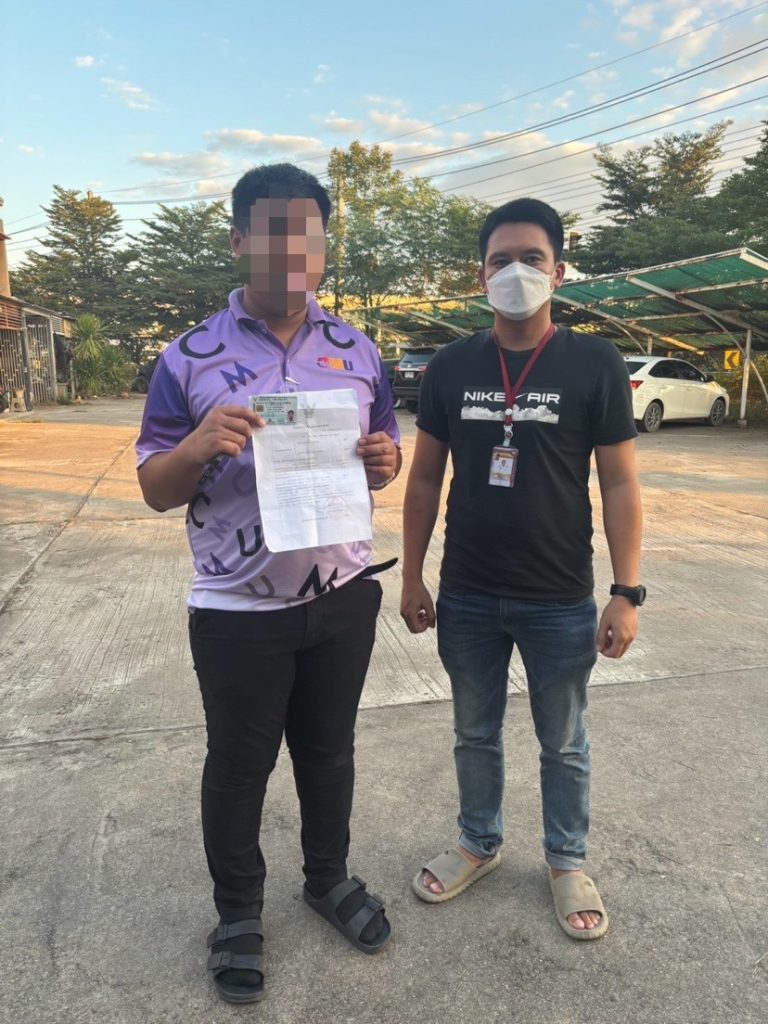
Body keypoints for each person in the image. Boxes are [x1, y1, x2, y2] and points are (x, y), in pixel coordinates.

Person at [136, 163, 401, 1004]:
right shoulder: (188, 358)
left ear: (323, 246)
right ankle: (238, 913)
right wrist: (196, 445)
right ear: (239, 240)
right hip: (238, 609)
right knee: (239, 766)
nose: (292, 249)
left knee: (329, 753)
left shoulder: (357, 350)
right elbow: (154, 488)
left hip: (342, 596)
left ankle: (327, 878)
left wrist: (385, 462)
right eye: (273, 231)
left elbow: (385, 448)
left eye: (308, 233)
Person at [400, 198, 643, 941]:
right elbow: (424, 479)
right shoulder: (451, 365)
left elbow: (620, 484)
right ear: (481, 276)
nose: (516, 272)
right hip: (468, 591)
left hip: (558, 595)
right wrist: (411, 576)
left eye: (531, 258)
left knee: (563, 740)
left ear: (558, 271)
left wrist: (626, 592)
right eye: (500, 260)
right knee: (473, 732)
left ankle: (566, 861)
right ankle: (478, 842)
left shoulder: (595, 363)